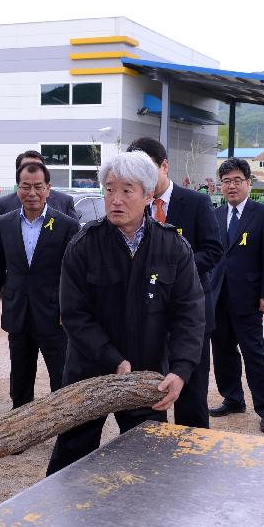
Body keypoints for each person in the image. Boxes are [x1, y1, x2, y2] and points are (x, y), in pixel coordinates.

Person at [46, 151, 205, 475]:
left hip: (145, 375)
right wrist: (112, 358)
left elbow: (189, 314)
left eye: (127, 190)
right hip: (89, 370)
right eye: (109, 189)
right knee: (72, 456)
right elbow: (75, 314)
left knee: (147, 459)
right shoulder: (84, 245)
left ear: (148, 195)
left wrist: (181, 370)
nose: (115, 200)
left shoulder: (173, 247)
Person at [126, 137, 223, 429]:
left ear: (164, 166)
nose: (142, 180)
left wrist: (177, 272)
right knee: (151, 394)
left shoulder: (195, 202)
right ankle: (153, 454)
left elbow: (213, 250)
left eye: (148, 170)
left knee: (191, 395)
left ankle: (193, 460)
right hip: (148, 316)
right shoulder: (136, 206)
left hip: (188, 312)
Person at [0, 161, 79, 408]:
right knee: (21, 374)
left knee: (61, 375)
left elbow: (74, 273)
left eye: (38, 187)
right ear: (18, 188)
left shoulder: (66, 225)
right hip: (18, 311)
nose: (32, 193)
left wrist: (68, 309)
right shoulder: (4, 223)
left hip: (54, 313)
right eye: (26, 187)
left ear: (48, 189)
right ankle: (20, 424)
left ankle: (64, 429)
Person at [208, 157, 264, 434]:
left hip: (249, 297)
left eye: (237, 181)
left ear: (248, 183)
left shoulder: (263, 214)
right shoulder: (215, 214)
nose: (231, 186)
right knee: (223, 350)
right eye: (226, 181)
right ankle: (233, 398)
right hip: (218, 296)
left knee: (254, 352)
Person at [0, 150, 78, 221]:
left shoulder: (64, 202)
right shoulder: (5, 204)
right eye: (27, 167)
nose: (32, 170)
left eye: (37, 167)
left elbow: (75, 238)